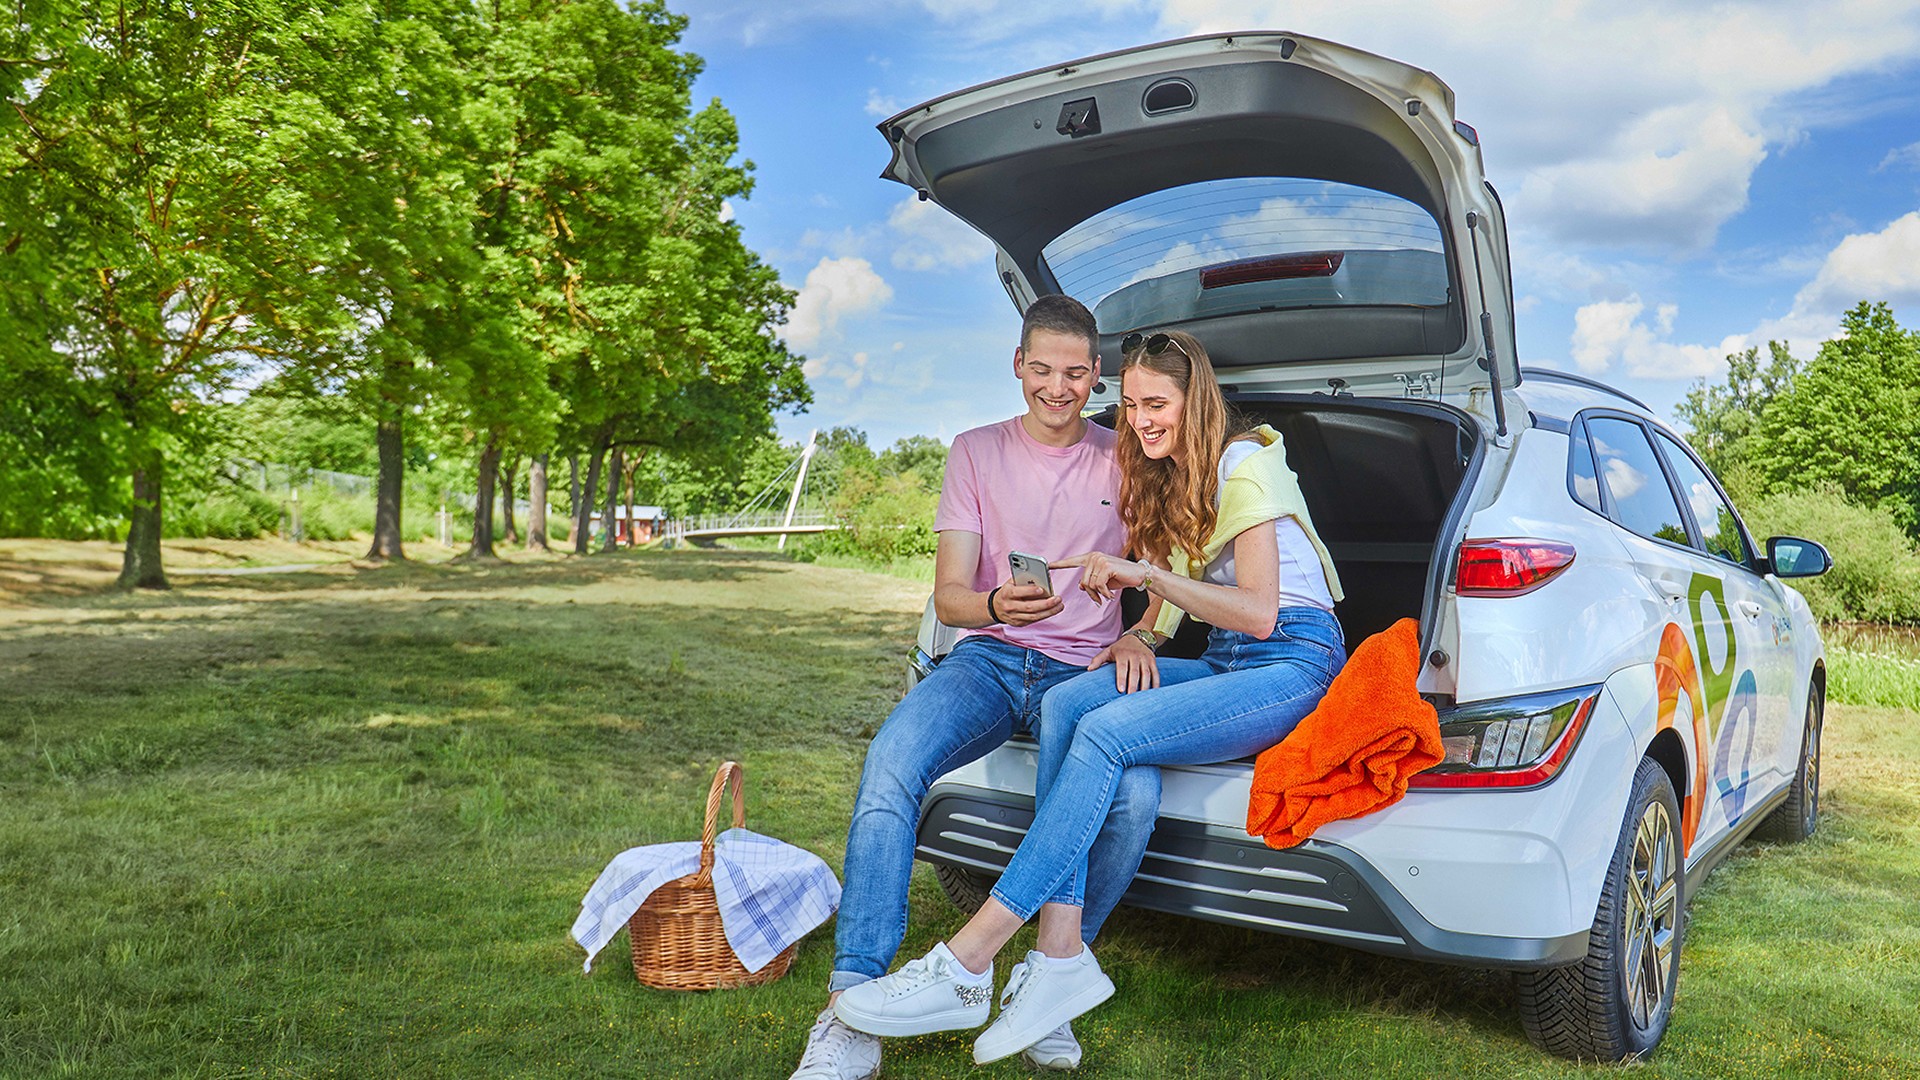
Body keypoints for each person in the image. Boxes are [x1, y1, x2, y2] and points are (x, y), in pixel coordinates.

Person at [831, 329, 1348, 1066]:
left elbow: (1260, 612)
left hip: (1294, 660)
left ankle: (969, 961)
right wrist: (1142, 635)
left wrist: (1144, 577)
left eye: (1156, 404)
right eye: (1131, 405)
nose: (1140, 420)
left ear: (1195, 399)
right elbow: (1172, 602)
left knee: (1105, 732)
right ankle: (1058, 960)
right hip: (1228, 659)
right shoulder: (1176, 474)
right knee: (1069, 705)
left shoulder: (1244, 462)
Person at [789, 295, 1166, 1080]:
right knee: (891, 762)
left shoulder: (1127, 455)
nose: (1057, 388)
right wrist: (997, 604)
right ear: (1018, 365)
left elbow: (1169, 567)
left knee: (1134, 798)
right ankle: (851, 1007)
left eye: (1074, 373)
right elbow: (951, 597)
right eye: (1042, 369)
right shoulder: (974, 451)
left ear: (1096, 373)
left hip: (1082, 672)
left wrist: (1140, 633)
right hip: (989, 660)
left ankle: (1050, 981)